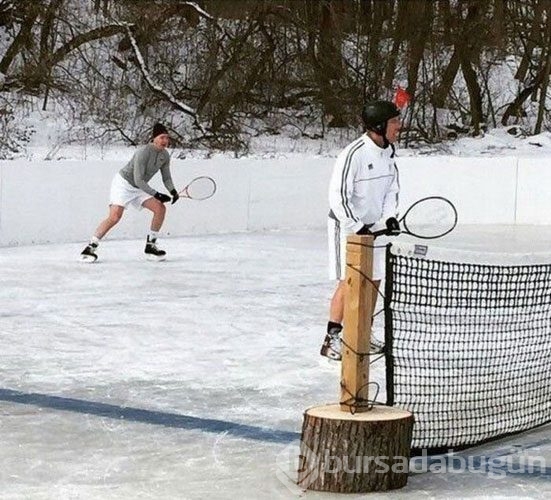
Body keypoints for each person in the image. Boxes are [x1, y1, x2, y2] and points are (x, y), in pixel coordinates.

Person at [320, 100, 402, 361]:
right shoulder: (353, 154)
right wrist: (357, 226)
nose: (398, 127)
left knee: (375, 279)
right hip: (346, 227)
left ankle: (363, 333)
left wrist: (389, 217)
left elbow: (392, 188)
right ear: (379, 126)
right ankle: (331, 338)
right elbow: (338, 196)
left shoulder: (388, 153)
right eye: (393, 122)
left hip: (375, 228)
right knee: (350, 281)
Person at [80, 123, 179, 262]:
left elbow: (166, 177)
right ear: (154, 138)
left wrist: (173, 191)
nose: (165, 141)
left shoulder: (165, 155)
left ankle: (151, 245)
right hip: (123, 184)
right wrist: (157, 194)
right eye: (162, 137)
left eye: (167, 138)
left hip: (139, 188)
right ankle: (90, 247)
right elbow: (138, 179)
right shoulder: (143, 152)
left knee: (160, 208)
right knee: (115, 217)